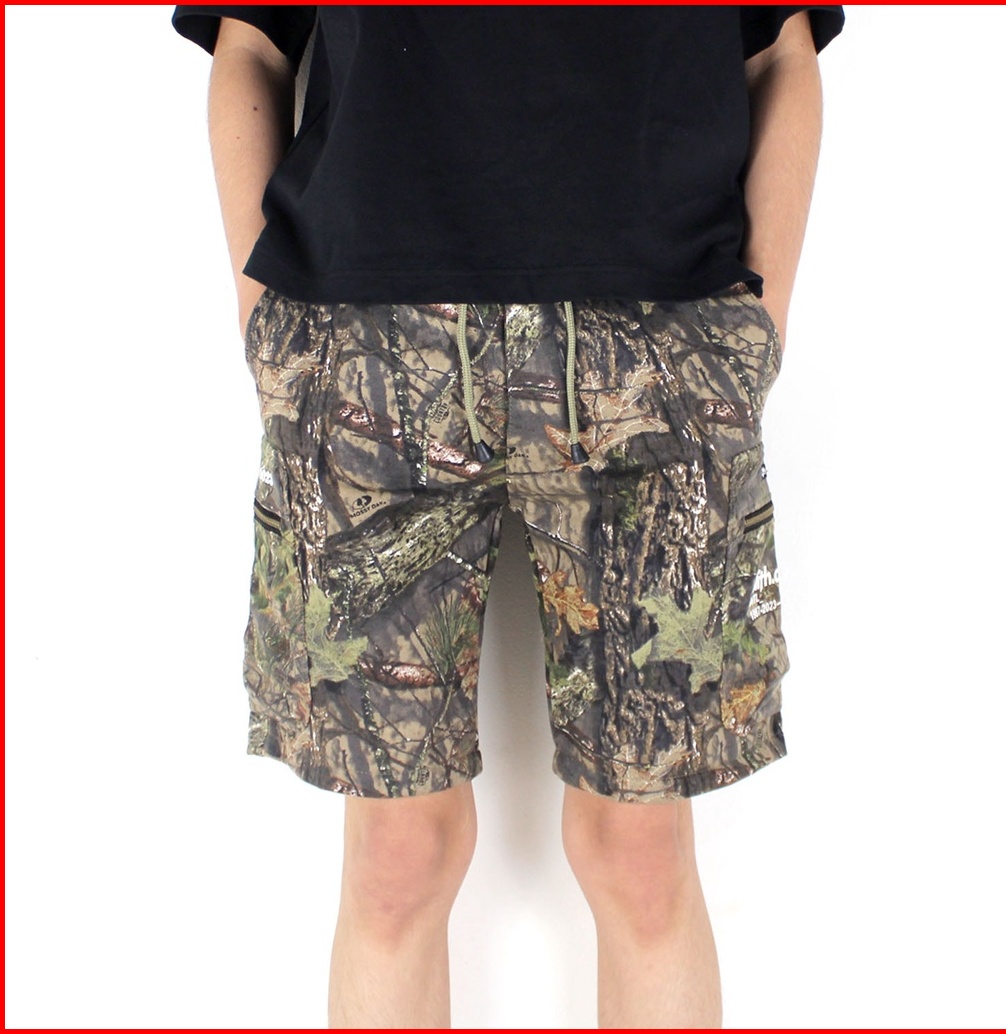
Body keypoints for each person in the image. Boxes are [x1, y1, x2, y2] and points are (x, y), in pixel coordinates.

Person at [172, 5, 844, 1027]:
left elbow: (780, 47)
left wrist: (755, 328)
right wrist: (263, 315)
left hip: (657, 338)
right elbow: (251, 41)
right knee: (397, 858)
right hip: (370, 341)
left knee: (639, 858)